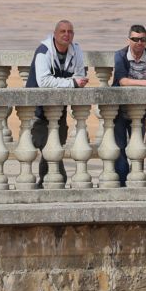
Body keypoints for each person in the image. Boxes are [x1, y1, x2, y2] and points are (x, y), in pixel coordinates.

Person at [26, 19, 88, 186]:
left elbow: (80, 74)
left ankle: (45, 183)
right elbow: (43, 81)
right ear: (55, 34)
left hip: (59, 109)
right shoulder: (43, 51)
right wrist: (71, 83)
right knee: (45, 143)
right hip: (37, 109)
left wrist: (75, 81)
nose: (66, 35)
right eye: (63, 31)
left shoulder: (76, 50)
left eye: (70, 32)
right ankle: (53, 180)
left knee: (57, 143)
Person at [112, 24, 146, 187]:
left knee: (138, 146)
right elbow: (122, 81)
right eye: (135, 39)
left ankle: (136, 179)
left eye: (143, 39)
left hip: (140, 111)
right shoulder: (120, 55)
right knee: (120, 148)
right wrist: (145, 83)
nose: (139, 43)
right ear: (128, 40)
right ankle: (122, 182)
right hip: (120, 110)